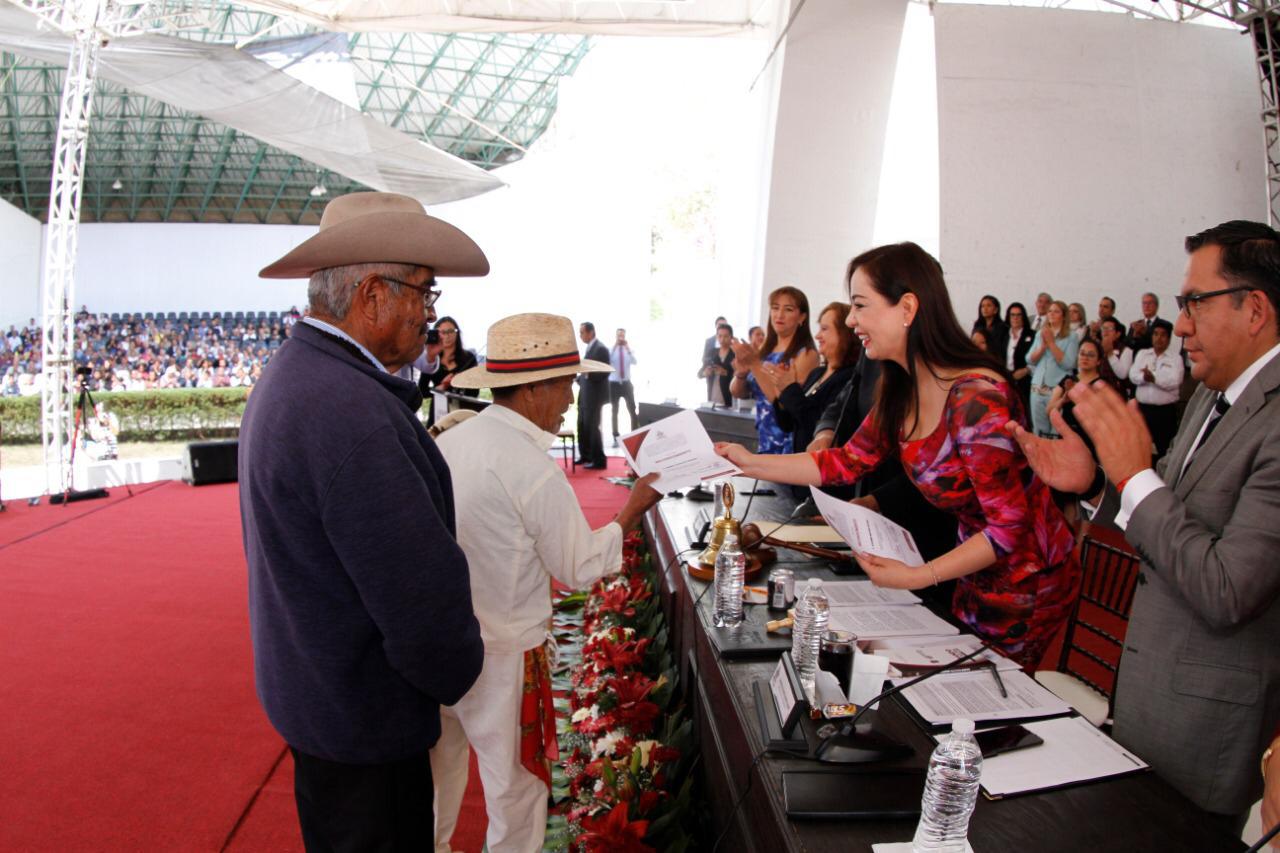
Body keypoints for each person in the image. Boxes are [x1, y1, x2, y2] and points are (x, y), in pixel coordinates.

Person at [1007, 219, 1280, 829]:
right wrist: (1100, 485)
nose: (1180, 324)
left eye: (1193, 303)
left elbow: (1229, 589)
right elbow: (1171, 519)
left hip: (1206, 727)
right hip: (1147, 692)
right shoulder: (1212, 395)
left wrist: (1134, 478)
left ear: (1254, 308)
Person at [241, 191, 486, 850]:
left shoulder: (299, 376)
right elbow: (420, 606)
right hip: (365, 730)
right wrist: (457, 662)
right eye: (424, 297)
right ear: (375, 293)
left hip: (323, 707)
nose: (429, 320)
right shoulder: (349, 410)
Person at [716, 242, 1079, 668]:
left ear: (906, 308)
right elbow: (844, 461)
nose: (851, 321)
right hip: (972, 566)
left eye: (860, 306)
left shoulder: (977, 398)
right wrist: (747, 461)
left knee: (986, 692)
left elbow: (1009, 527)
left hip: (1026, 577)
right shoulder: (902, 385)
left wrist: (916, 577)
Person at [430, 312, 662, 853]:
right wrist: (631, 508)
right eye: (567, 383)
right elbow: (579, 566)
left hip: (441, 642)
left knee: (438, 783)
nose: (572, 395)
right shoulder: (531, 469)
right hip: (506, 655)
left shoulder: (455, 441)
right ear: (535, 388)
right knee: (517, 792)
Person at [729, 286, 819, 454]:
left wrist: (754, 365)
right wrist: (741, 374)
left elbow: (783, 402)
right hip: (763, 434)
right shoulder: (764, 350)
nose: (779, 315)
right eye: (775, 308)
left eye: (788, 309)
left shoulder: (806, 354)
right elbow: (738, 392)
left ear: (802, 317)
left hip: (788, 439)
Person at [769, 302, 858, 459]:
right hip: (800, 467)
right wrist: (781, 391)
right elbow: (788, 424)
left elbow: (817, 423)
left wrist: (790, 387)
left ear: (844, 334)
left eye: (824, 329)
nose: (817, 336)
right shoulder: (817, 373)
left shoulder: (849, 377)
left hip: (822, 471)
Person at [1046, 337, 1122, 458]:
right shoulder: (1068, 380)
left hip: (1092, 440)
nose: (1085, 357)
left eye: (1091, 355)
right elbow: (1049, 411)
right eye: (1082, 353)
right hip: (1067, 436)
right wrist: (1062, 400)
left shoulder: (1103, 384)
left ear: (1098, 361)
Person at [1128, 318, 1183, 460]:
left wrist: (1154, 379)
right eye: (1156, 334)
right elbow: (1133, 375)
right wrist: (1143, 378)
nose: (1159, 338)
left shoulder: (1175, 358)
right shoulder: (1143, 354)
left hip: (1164, 413)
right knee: (1138, 449)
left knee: (1164, 450)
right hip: (1142, 410)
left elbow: (1175, 381)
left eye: (1163, 335)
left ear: (1169, 338)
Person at [1026, 300, 1079, 437]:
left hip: (1056, 389)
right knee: (1039, 430)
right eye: (1050, 311)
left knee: (1055, 429)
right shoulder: (1040, 334)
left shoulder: (1071, 336)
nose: (1052, 314)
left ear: (1064, 316)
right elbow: (1029, 359)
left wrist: (1051, 343)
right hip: (1037, 387)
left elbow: (1068, 363)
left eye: (1056, 311)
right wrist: (1043, 346)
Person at [419, 316, 479, 425]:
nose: (447, 336)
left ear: (457, 333)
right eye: (442, 332)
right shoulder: (431, 358)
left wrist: (460, 382)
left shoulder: (468, 357)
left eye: (451, 331)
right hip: (438, 415)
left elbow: (475, 392)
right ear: (437, 334)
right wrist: (441, 387)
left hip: (463, 415)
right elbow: (422, 391)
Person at [575, 322, 611, 469]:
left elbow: (605, 371)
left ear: (591, 332)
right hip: (585, 394)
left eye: (582, 332)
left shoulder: (601, 348)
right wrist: (577, 378)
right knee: (582, 426)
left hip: (594, 396)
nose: (580, 336)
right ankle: (586, 456)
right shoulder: (590, 348)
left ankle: (599, 460)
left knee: (592, 427)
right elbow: (585, 373)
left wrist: (587, 374)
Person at [1004, 301, 1036, 412]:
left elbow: (1036, 358)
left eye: (1019, 315)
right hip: (1006, 378)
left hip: (1025, 379)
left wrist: (1027, 370)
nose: (1015, 318)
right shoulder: (1002, 335)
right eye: (1012, 315)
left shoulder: (1032, 335)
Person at [608, 327, 637, 444]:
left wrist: (628, 348)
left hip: (626, 383)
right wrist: (615, 346)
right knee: (614, 410)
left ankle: (634, 433)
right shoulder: (611, 349)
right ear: (616, 336)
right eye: (619, 336)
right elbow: (607, 361)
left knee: (632, 409)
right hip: (614, 384)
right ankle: (615, 436)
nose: (620, 338)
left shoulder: (628, 350)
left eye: (622, 336)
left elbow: (635, 362)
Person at [699, 322, 735, 405]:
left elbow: (741, 377)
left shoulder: (735, 354)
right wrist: (705, 373)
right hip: (711, 398)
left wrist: (725, 373)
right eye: (720, 336)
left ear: (731, 337)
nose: (722, 339)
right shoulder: (712, 352)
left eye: (726, 336)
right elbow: (699, 373)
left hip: (729, 398)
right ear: (716, 337)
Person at [1099, 316, 1133, 389]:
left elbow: (1123, 374)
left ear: (1117, 334)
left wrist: (1110, 354)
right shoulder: (1096, 347)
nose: (1105, 331)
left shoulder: (1126, 350)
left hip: (1116, 392)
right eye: (1103, 328)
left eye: (1110, 329)